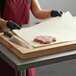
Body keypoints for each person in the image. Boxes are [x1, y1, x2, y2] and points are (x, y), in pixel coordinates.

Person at [0, 0, 63, 76]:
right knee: (10, 70)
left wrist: (52, 13)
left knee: (28, 69)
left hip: (25, 38)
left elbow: (38, 12)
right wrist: (6, 23)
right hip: (7, 39)